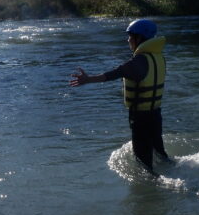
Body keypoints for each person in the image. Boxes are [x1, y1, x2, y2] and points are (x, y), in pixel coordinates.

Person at [70, 18, 170, 172]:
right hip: (155, 115)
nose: (128, 40)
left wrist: (88, 79)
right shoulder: (158, 58)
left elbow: (114, 74)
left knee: (143, 162)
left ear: (139, 38)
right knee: (160, 152)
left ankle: (155, 188)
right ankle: (172, 171)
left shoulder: (138, 62)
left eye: (130, 36)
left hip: (140, 118)